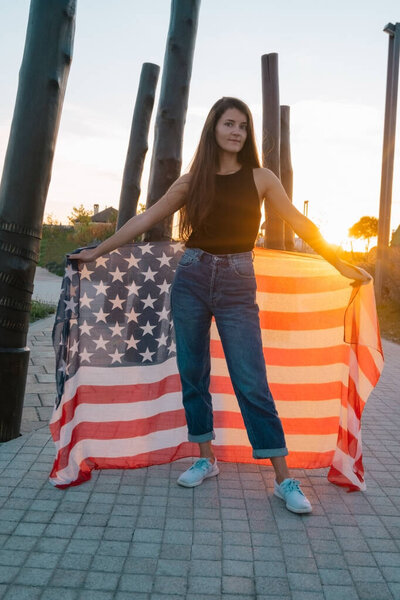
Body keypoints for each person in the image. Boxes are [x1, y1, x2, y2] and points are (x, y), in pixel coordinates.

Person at [70, 97, 371, 514]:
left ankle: (284, 479)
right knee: (193, 375)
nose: (236, 132)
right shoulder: (192, 182)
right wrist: (97, 251)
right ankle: (205, 458)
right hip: (191, 279)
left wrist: (339, 263)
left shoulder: (262, 178)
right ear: (213, 128)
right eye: (229, 123)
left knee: (252, 380)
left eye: (243, 126)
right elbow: (144, 220)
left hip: (236, 284)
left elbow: (300, 222)